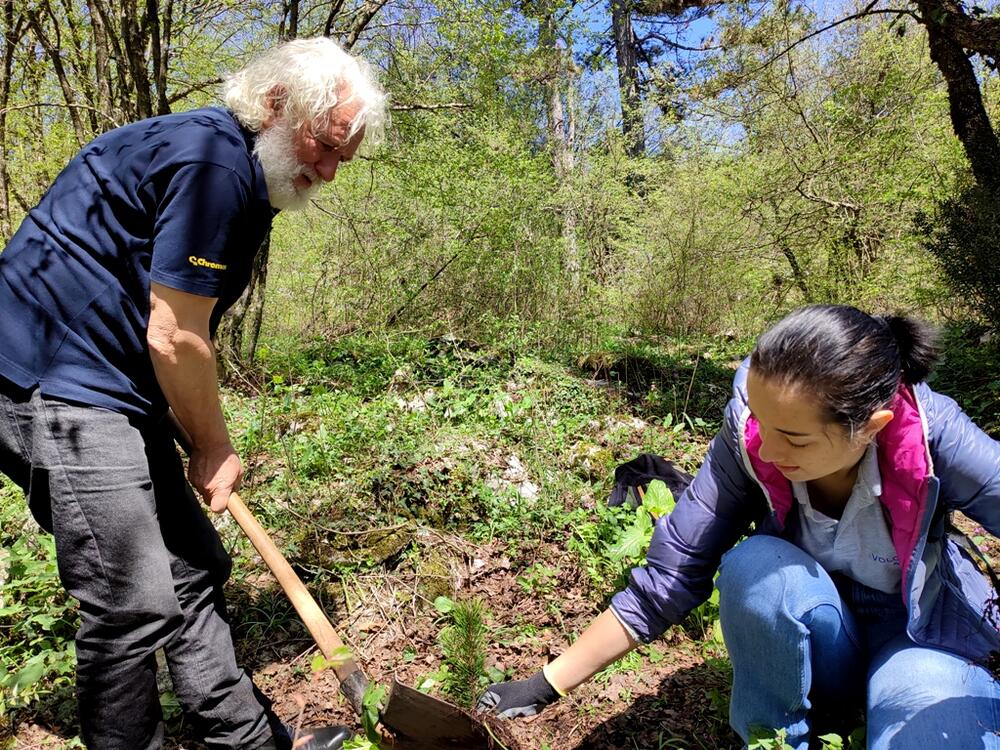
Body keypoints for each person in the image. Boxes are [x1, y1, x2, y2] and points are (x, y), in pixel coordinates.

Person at [0, 37, 387, 750]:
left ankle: (245, 741)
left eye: (345, 158)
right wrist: (212, 444)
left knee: (193, 566)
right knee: (129, 600)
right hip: (55, 382)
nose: (330, 171)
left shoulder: (237, 165)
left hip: (113, 384)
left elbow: (159, 315)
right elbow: (176, 334)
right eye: (327, 145)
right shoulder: (213, 165)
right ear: (275, 104)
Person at [478, 305, 1000, 750]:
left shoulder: (932, 436)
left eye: (794, 438)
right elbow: (672, 572)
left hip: (918, 637)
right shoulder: (749, 439)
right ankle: (777, 736)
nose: (767, 450)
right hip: (818, 638)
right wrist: (547, 683)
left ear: (870, 427)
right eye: (762, 424)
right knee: (756, 567)